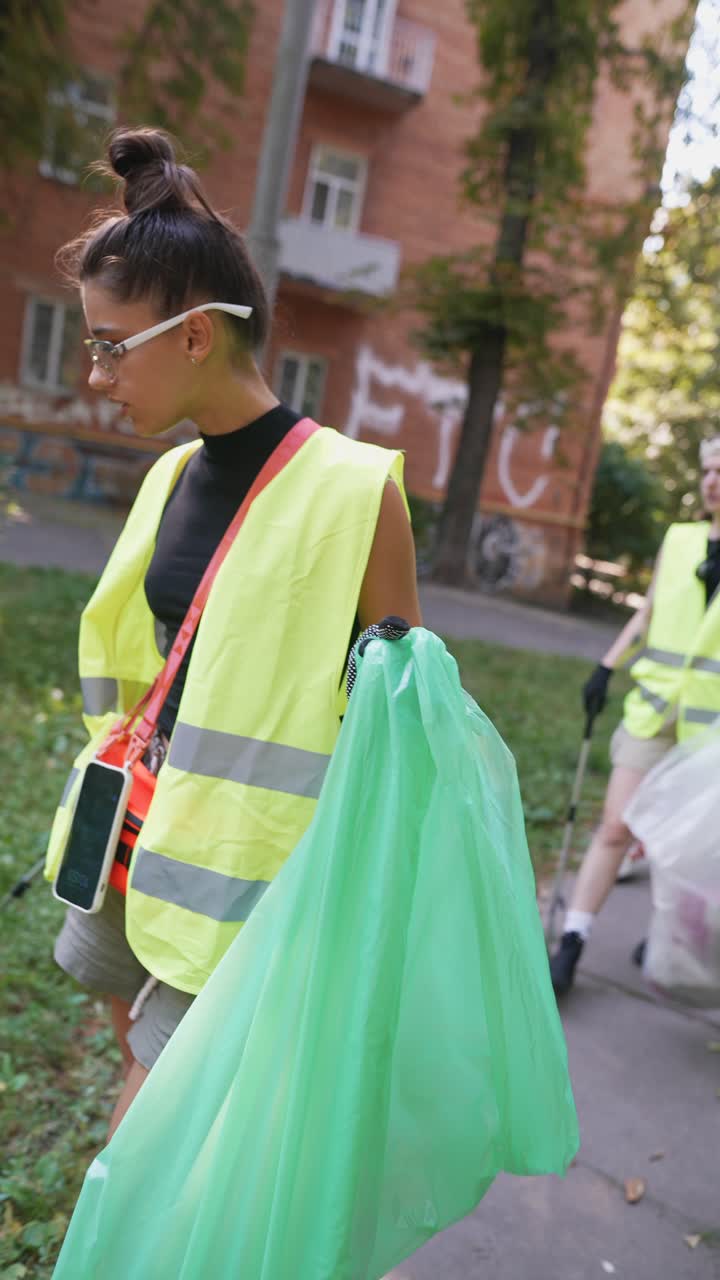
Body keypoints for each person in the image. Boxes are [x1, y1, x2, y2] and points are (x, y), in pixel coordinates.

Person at [45, 127, 422, 1135]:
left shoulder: (353, 493)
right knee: (140, 1055)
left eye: (108, 344)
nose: (96, 373)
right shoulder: (171, 475)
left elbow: (404, 726)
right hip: (142, 842)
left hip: (250, 884)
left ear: (197, 335)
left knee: (146, 1134)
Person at [550, 436, 720, 995]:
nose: (713, 480)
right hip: (654, 709)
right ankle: (573, 939)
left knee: (687, 848)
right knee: (617, 826)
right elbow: (648, 611)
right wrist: (606, 665)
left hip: (711, 730)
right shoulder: (680, 538)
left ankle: (670, 939)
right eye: (708, 469)